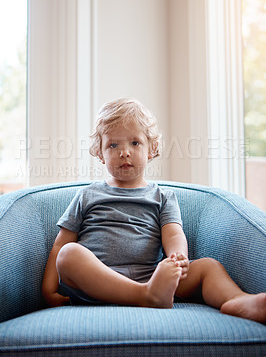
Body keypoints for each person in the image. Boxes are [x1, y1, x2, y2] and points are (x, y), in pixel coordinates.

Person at [42, 98, 266, 323]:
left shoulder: (162, 196)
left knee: (208, 267)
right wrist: (49, 291)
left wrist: (177, 259)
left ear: (152, 149)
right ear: (99, 153)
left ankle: (238, 301)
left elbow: (173, 233)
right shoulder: (88, 194)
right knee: (69, 254)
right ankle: (145, 296)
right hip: (99, 281)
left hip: (153, 276)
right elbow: (61, 244)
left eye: (135, 143)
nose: (124, 152)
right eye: (113, 145)